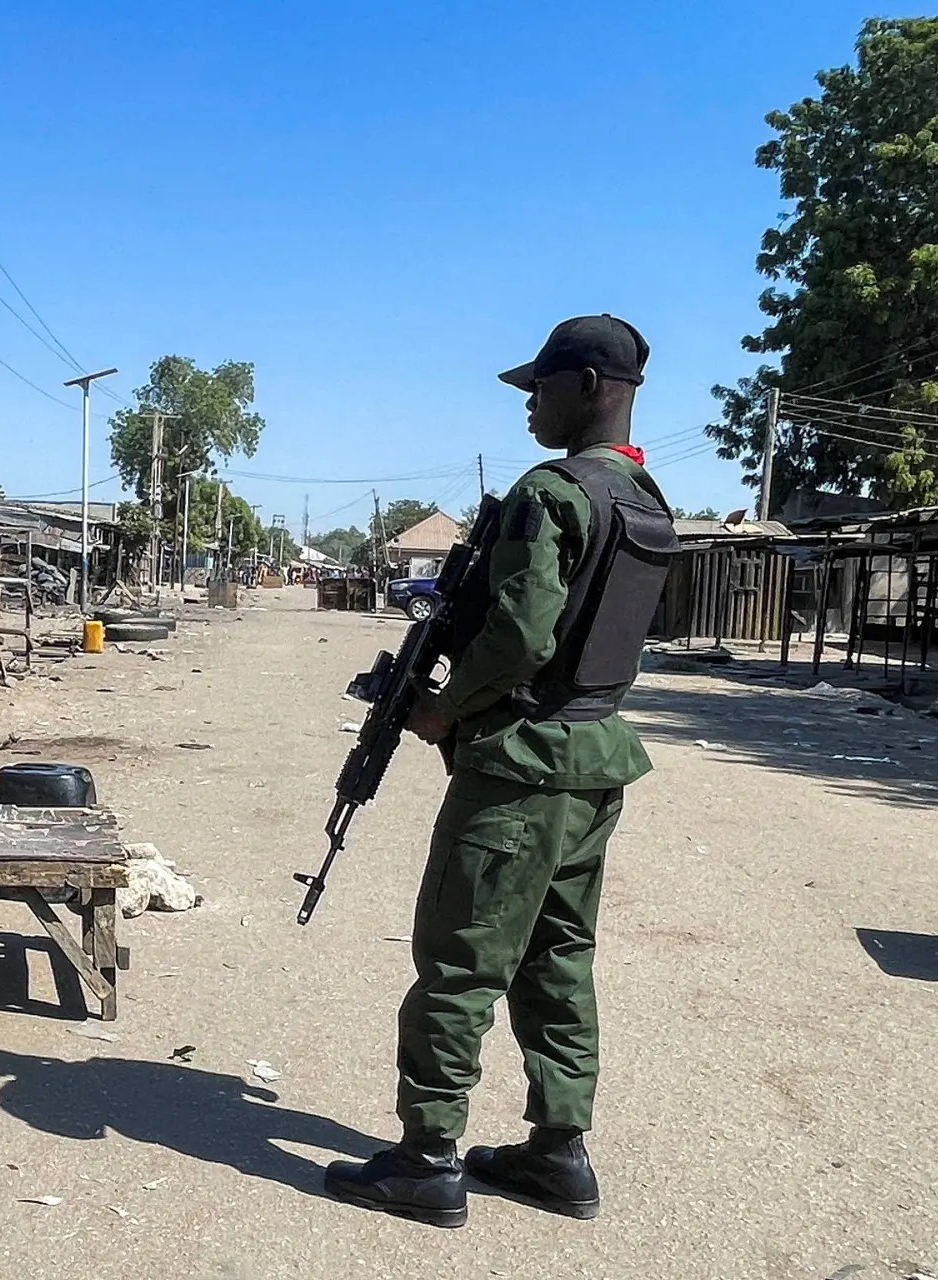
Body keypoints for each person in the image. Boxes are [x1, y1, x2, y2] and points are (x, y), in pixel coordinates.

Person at [323, 315, 678, 1229]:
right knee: (559, 956)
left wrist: (445, 709)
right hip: (593, 762)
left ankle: (426, 1159)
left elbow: (521, 635)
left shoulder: (551, 493)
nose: (527, 404)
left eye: (539, 386)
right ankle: (558, 1152)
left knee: (460, 961)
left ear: (589, 384)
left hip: (520, 769)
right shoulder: (644, 498)